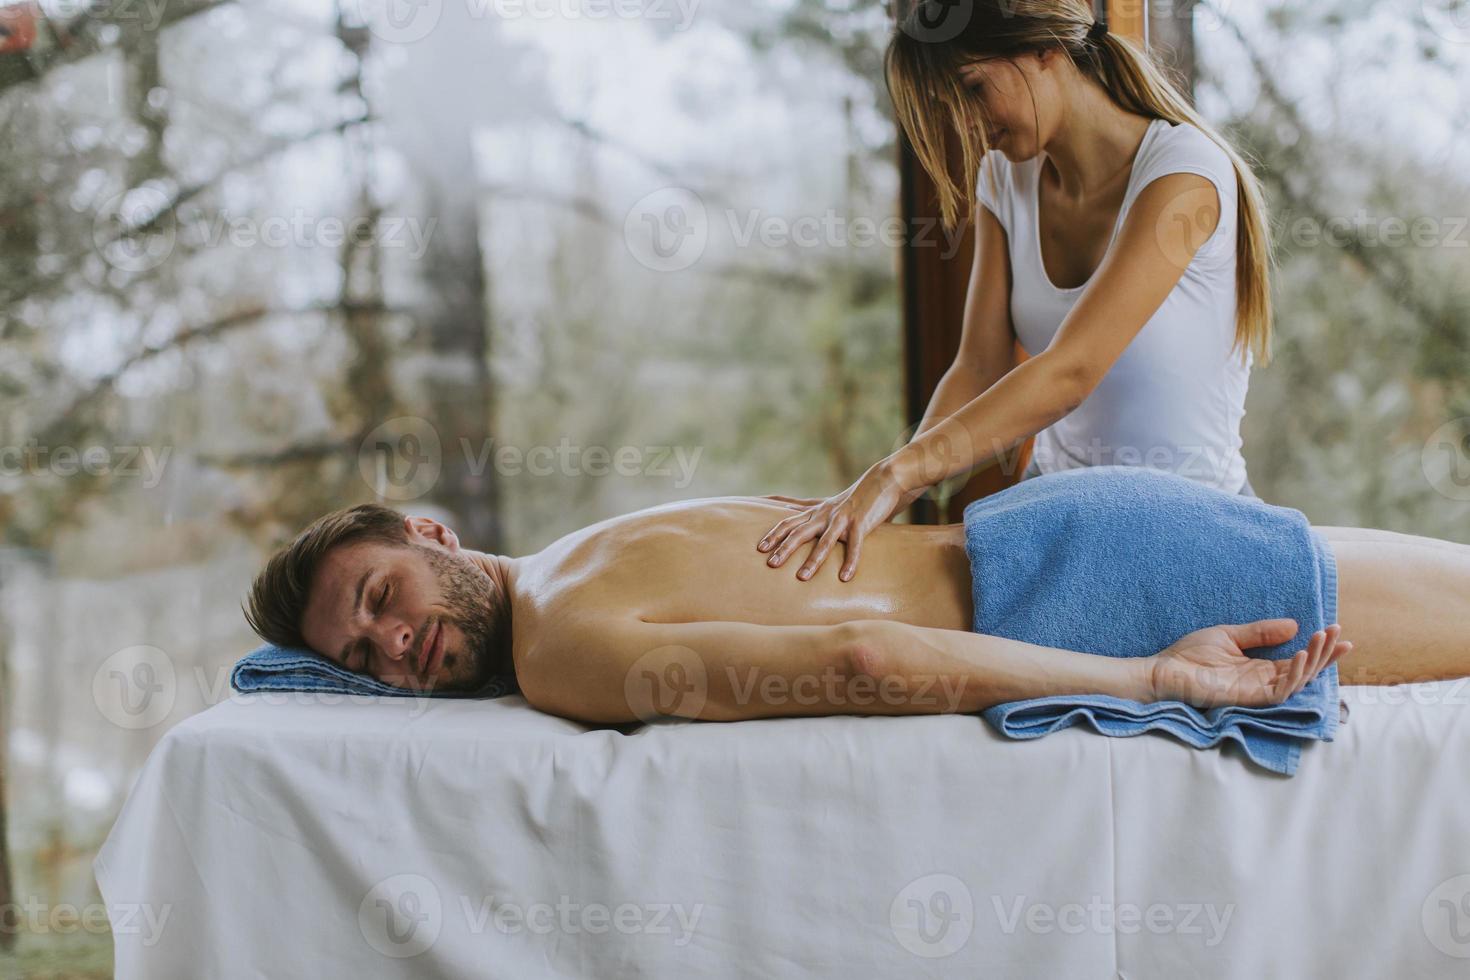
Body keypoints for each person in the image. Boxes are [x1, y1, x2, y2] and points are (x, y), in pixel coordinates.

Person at [241, 471, 1470, 727]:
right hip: (1058, 527)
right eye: (364, 656)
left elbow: (865, 663)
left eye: (381, 596)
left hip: (1069, 587)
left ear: (431, 531)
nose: (394, 644)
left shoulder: (562, 645)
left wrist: (1156, 676)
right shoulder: (592, 544)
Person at [758, 0, 1274, 582]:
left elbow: (1070, 373)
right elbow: (979, 367)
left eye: (974, 90)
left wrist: (898, 474)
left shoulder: (1184, 173)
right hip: (1058, 515)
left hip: (1193, 527)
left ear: (1043, 48)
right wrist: (872, 498)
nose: (969, 125)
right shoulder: (1005, 176)